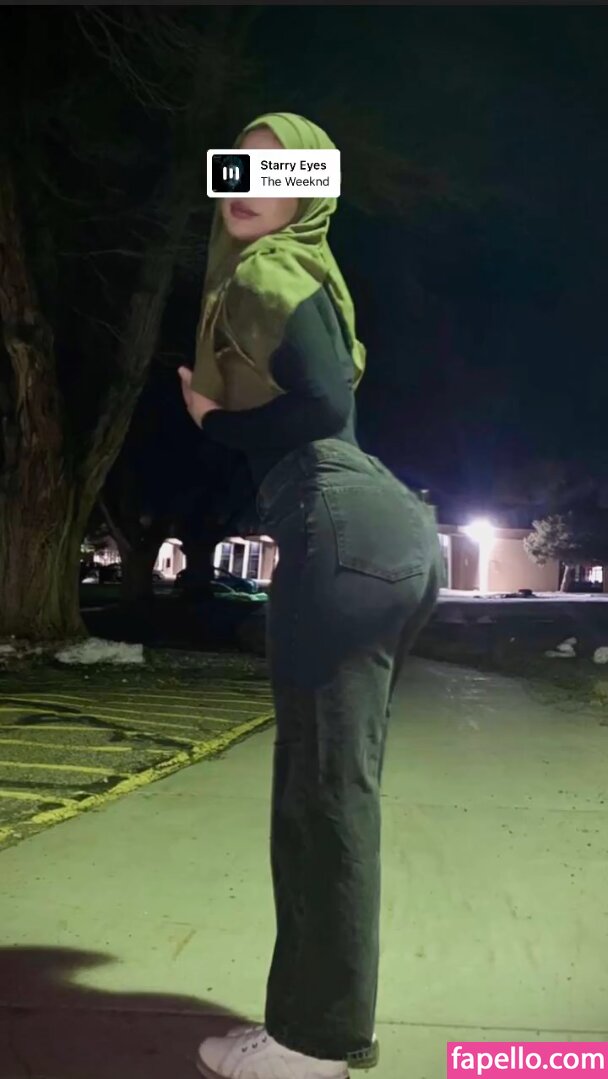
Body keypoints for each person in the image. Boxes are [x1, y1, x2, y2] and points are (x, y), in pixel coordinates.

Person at [178, 112, 443, 1079]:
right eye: (237, 168)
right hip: (385, 529)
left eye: (275, 171)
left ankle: (312, 1044)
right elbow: (337, 397)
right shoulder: (315, 279)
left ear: (310, 193)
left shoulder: (262, 275)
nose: (246, 185)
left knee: (320, 800)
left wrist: (210, 418)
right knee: (332, 795)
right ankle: (312, 1028)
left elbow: (323, 404)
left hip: (337, 525)